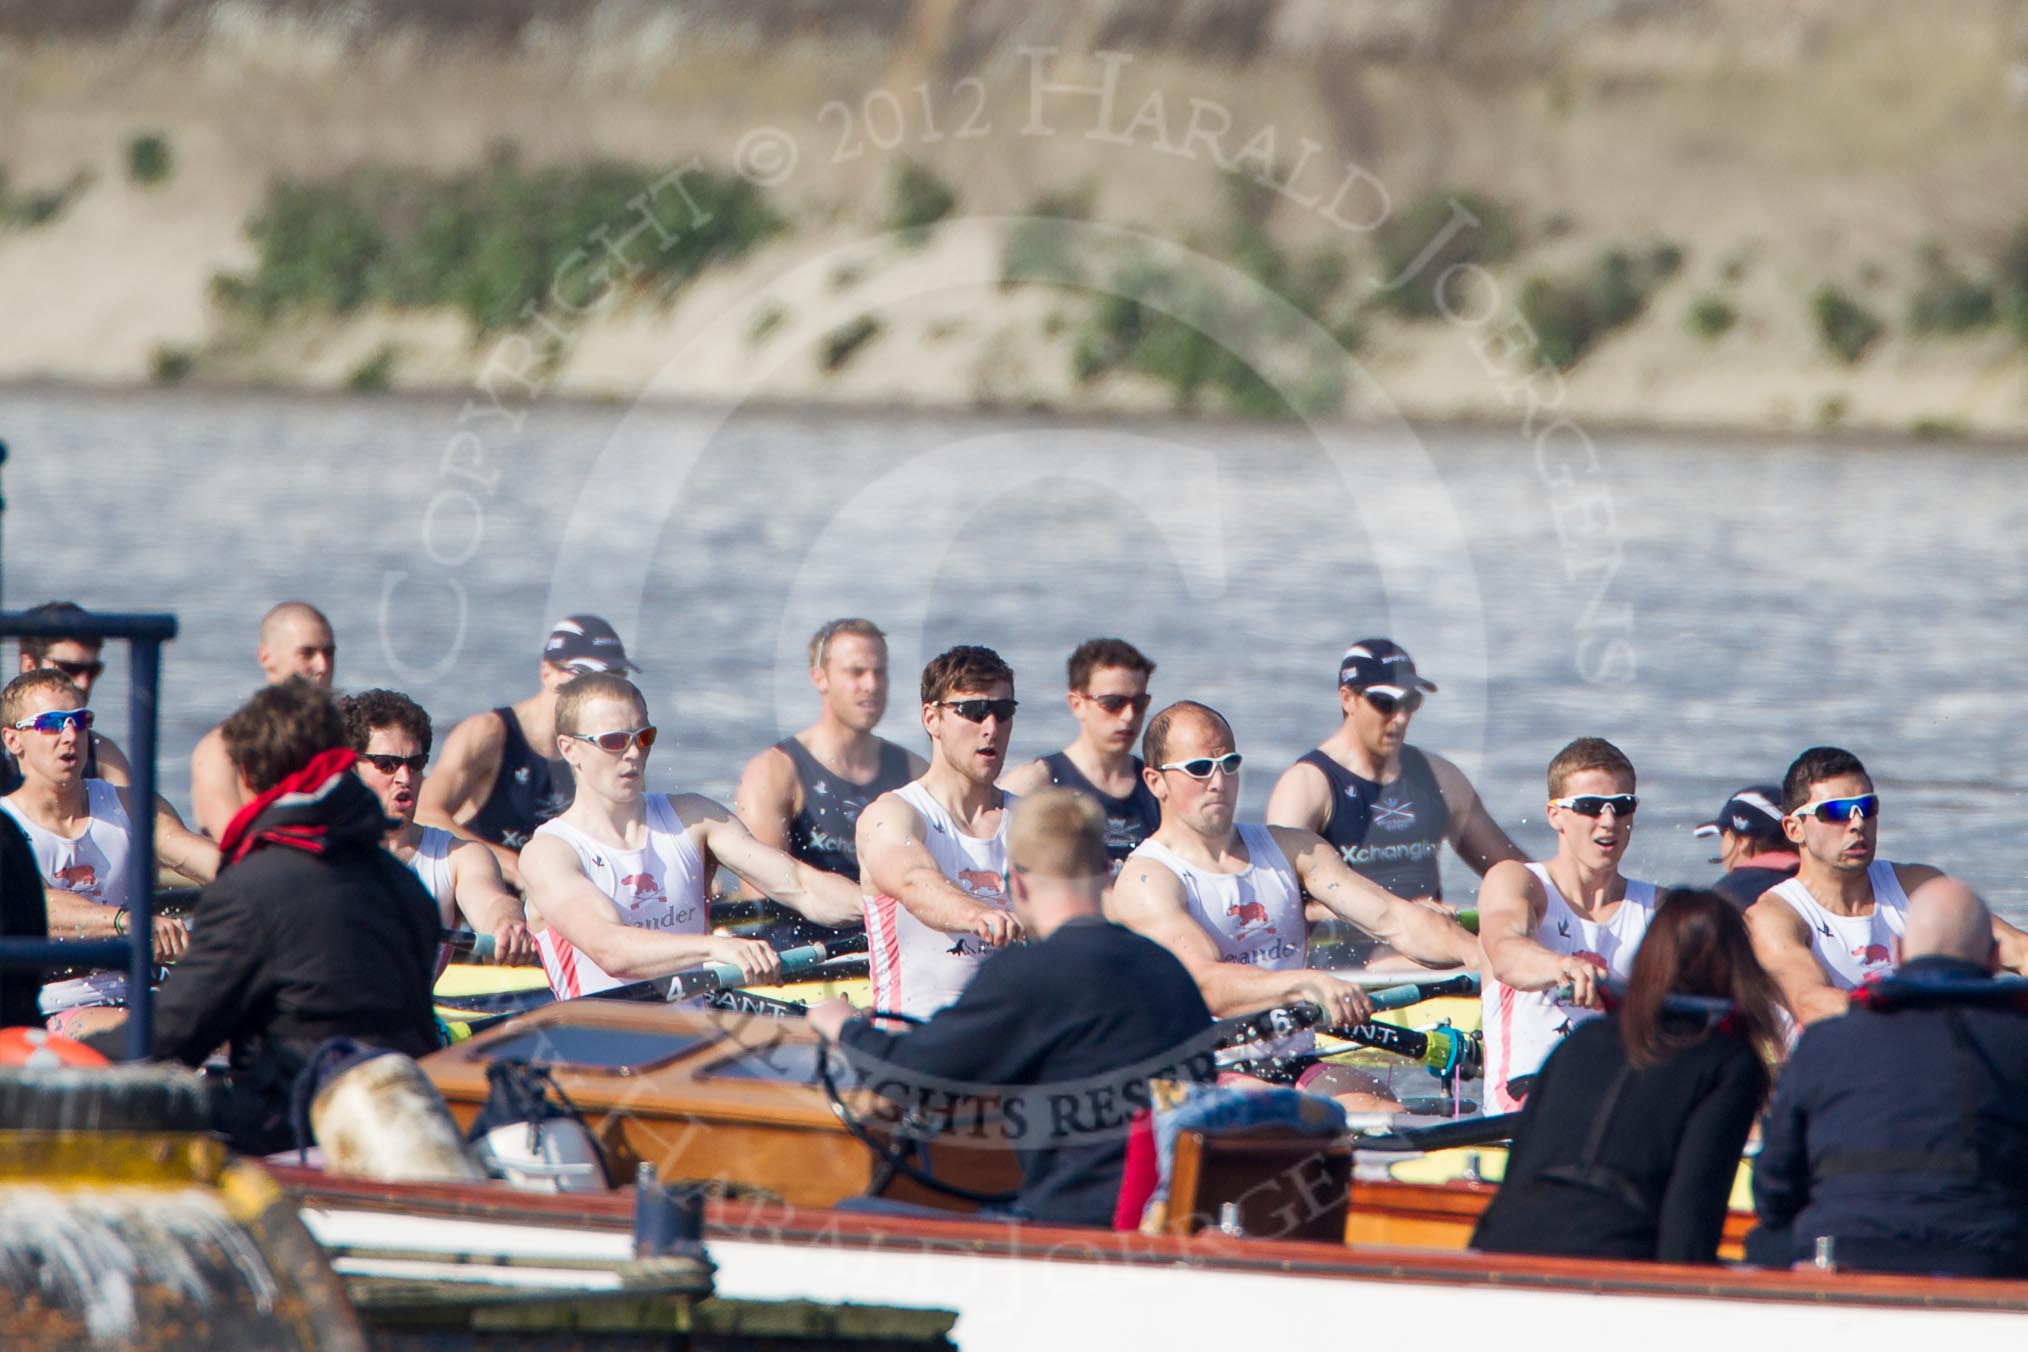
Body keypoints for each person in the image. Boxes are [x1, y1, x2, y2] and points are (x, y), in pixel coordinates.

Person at [808, 789, 1215, 1227]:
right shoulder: (1168, 969)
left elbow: (909, 1078)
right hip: (1171, 1221)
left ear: (1016, 883)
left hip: (1071, 1234)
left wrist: (842, 1026)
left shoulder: (1029, 973)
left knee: (851, 1213)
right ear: (1106, 871)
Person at [84, 678, 442, 1155]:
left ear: (249, 777)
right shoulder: (401, 882)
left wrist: (71, 1060)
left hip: (302, 1126)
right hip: (411, 1112)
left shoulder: (254, 887)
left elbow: (177, 1035)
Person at [1108, 701, 1480, 1106]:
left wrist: (1479, 954)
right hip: (1199, 1071)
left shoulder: (1293, 849)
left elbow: (1394, 919)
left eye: (1229, 764)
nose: (1218, 781)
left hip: (1294, 1058)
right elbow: (1204, 984)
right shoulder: (1148, 879)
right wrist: (1307, 982)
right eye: (1199, 769)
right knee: (1301, 1119)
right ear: (1155, 781)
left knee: (1381, 1107)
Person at [1471, 889, 1784, 1264]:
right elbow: (1692, 1215)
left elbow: (1519, 1169)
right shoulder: (1729, 1063)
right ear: (1740, 968)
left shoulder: (1581, 1041)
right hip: (1611, 1256)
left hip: (1500, 1247)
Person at [518, 672, 863, 998]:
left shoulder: (694, 818)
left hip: (693, 1040)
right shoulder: (549, 852)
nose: (634, 753)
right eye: (614, 741)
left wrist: (881, 907)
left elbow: (802, 885)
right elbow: (610, 950)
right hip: (597, 1044)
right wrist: (714, 946)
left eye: (643, 737)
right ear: (568, 748)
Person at [1751, 877, 2028, 1276]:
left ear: (1897, 955)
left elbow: (1774, 1186)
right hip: (1986, 1260)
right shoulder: (2018, 1040)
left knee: (1765, 1242)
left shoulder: (1827, 1041)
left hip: (1841, 1254)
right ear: (1993, 958)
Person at [0, 670, 217, 1037]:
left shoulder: (128, 806)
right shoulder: (6, 825)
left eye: (80, 721)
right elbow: (39, 905)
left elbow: (203, 858)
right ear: (13, 739)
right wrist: (127, 923)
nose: (70, 736)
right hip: (44, 1008)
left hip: (140, 994)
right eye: (51, 724)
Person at [1746, 747, 2028, 1025]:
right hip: (1839, 1064)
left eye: (1867, 808)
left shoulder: (1918, 886)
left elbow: (2019, 951)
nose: (1857, 823)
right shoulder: (1775, 917)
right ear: (1794, 829)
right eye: (1836, 811)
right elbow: (1812, 1003)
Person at [1267, 639, 1524, 906]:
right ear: (1348, 699)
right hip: (1346, 942)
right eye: (1386, 702)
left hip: (1432, 941)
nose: (1400, 717)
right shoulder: (1307, 785)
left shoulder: (1440, 776)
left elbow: (1515, 871)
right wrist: (1404, 917)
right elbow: (1278, 905)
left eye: (1410, 701)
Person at [1478, 737, 1659, 1112]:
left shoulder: (1660, 907)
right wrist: (1562, 966)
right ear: (1555, 815)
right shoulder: (1518, 882)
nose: (1609, 821)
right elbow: (1506, 954)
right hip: (1524, 1115)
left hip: (1618, 1111)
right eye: (1590, 807)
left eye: (1622, 807)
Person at [854, 645, 1025, 1018]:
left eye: (1003, 711)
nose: (991, 727)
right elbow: (915, 882)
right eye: (973, 711)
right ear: (932, 718)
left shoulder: (1031, 821)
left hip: (1012, 1046)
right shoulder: (893, 815)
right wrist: (979, 915)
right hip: (911, 1046)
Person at [417, 614, 636, 891]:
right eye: (589, 676)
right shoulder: (488, 734)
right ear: (548, 673)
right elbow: (423, 813)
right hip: (486, 897)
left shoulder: (608, 748)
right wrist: (513, 866)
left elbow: (629, 835)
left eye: (615, 679)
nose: (602, 692)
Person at [731, 618, 923, 932]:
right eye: (856, 672)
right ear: (820, 678)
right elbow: (759, 892)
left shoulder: (913, 771)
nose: (872, 685)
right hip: (800, 950)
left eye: (880, 672)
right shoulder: (774, 771)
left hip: (885, 938)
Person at [338, 689, 537, 969]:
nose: (405, 778)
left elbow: (491, 901)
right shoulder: (321, 850)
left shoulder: (457, 855)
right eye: (387, 764)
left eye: (415, 764)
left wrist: (507, 924)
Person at [998, 637, 1161, 872]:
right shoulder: (1035, 783)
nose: (1128, 716)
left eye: (1139, 703)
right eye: (1113, 703)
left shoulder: (1158, 787)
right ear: (1077, 704)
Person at [190, 601, 336, 837]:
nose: (322, 665)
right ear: (266, 657)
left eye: (329, 653)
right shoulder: (222, 746)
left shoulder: (349, 735)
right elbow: (231, 841)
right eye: (307, 653)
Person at [0, 601, 134, 794]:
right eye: (70, 669)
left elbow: (141, 818)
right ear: (29, 665)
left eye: (93, 671)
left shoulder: (102, 755)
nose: (84, 682)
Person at [1694, 784, 1796, 910]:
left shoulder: (1727, 894)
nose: (1721, 847)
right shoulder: (1815, 881)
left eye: (1723, 835)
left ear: (1743, 841)